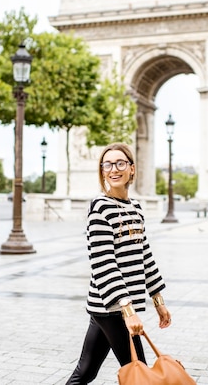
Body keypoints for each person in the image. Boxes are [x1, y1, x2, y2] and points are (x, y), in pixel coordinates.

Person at [67, 142, 172, 385]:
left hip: (108, 308)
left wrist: (158, 300)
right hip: (113, 308)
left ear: (132, 169)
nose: (114, 169)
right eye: (108, 164)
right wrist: (128, 310)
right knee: (140, 374)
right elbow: (103, 264)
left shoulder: (135, 208)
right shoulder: (100, 210)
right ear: (102, 171)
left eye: (120, 163)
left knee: (86, 372)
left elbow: (144, 256)